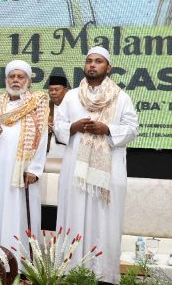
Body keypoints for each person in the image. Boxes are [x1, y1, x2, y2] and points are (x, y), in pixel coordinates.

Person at [54, 46, 138, 284]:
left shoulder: (120, 97)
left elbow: (133, 128)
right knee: (74, 216)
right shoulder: (71, 97)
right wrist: (73, 127)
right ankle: (71, 272)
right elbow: (58, 124)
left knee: (104, 220)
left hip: (107, 174)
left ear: (108, 67)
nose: (92, 65)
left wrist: (107, 129)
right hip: (75, 171)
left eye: (98, 61)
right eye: (89, 61)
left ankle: (103, 275)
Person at [0, 60, 49, 274]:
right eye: (12, 77)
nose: (16, 81)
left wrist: (35, 170)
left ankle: (22, 266)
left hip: (23, 171)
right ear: (6, 80)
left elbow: (41, 137)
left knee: (19, 214)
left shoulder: (37, 103)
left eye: (21, 77)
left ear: (28, 81)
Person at [46, 75, 68, 159]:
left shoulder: (72, 107)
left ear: (65, 90)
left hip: (66, 150)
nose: (53, 92)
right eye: (50, 90)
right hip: (47, 151)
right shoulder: (44, 107)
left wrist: (57, 128)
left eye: (56, 89)